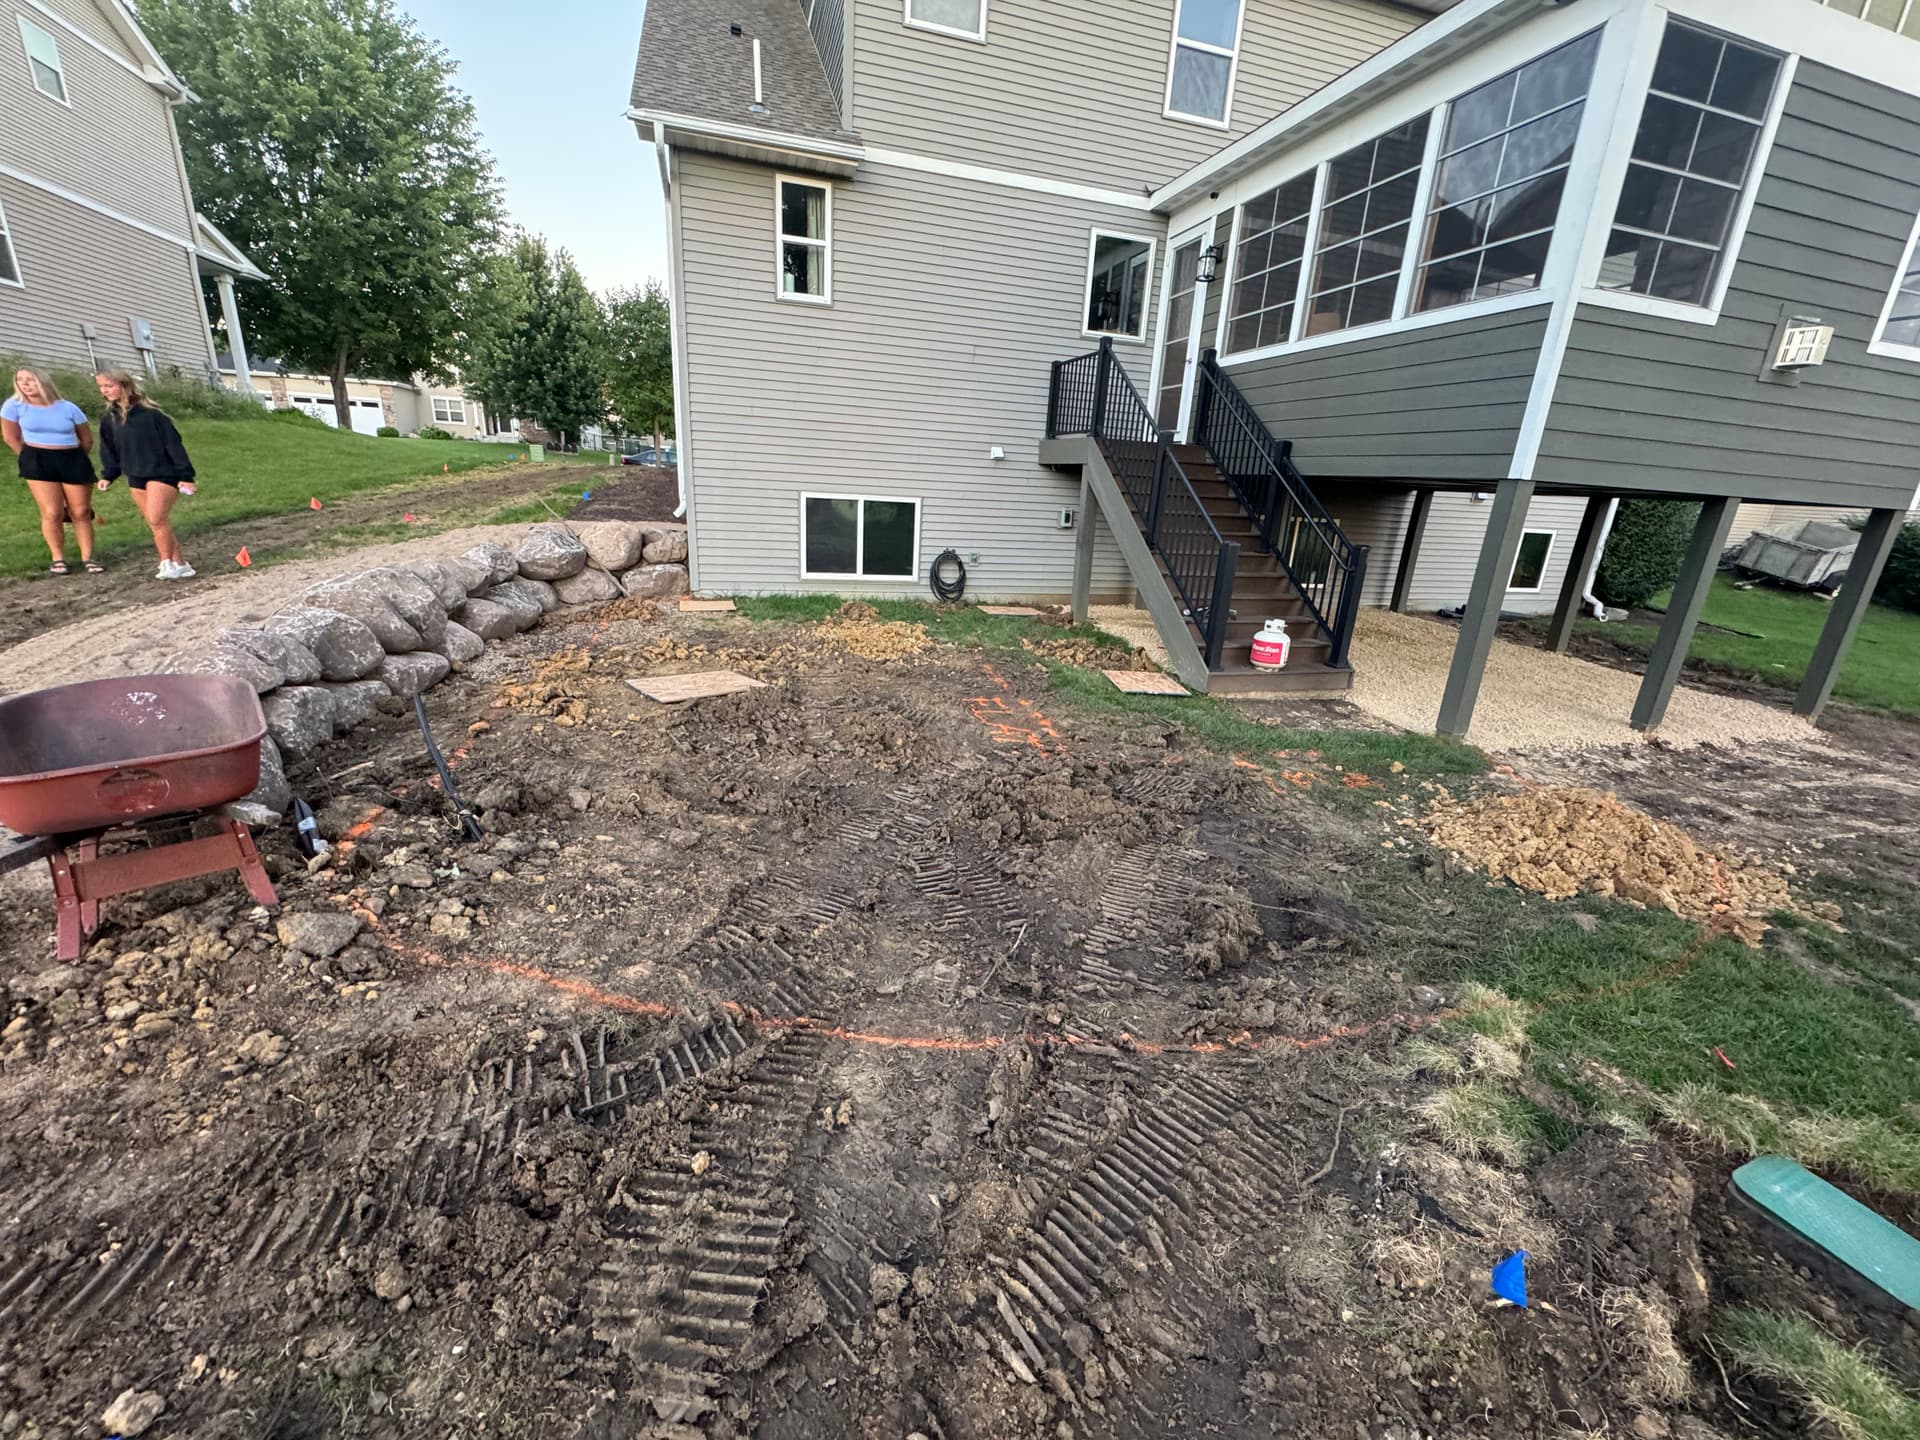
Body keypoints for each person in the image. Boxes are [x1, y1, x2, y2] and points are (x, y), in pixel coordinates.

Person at [95, 368, 196, 579]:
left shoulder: (152, 416)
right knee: (156, 522)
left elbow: (173, 444)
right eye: (101, 386)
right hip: (135, 475)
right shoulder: (109, 420)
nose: (105, 390)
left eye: (109, 385)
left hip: (162, 473)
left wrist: (186, 476)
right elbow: (109, 449)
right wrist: (108, 475)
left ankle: (166, 563)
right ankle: (181, 563)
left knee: (157, 518)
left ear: (124, 385)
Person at [2, 367, 102, 575]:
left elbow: (86, 439)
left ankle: (88, 557)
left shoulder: (68, 408)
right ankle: (58, 558)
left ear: (42, 381)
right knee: (52, 512)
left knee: (80, 511)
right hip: (37, 459)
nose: (24, 383)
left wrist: (77, 458)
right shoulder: (14, 406)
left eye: (30, 379)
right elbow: (10, 437)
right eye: (20, 380)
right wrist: (28, 457)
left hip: (71, 458)